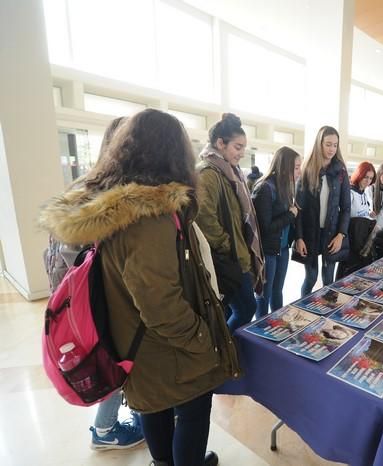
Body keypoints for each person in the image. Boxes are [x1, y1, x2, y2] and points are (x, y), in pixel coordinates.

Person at [39, 109, 239, 466]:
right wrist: (202, 341)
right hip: (165, 346)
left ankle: (163, 461)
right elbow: (161, 304)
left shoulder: (117, 204)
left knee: (153, 405)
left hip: (136, 341)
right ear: (171, 153)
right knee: (192, 410)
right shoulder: (151, 216)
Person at [42, 116, 145, 451]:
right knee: (114, 357)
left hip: (81, 302)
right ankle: (106, 428)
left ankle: (120, 423)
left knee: (110, 357)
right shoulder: (114, 194)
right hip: (100, 300)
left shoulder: (84, 185)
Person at [197, 113, 265, 332]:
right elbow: (205, 219)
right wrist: (229, 246)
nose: (242, 153)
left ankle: (224, 351)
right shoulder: (209, 173)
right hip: (228, 257)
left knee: (227, 309)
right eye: (237, 147)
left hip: (236, 253)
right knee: (246, 308)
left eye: (244, 148)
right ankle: (227, 350)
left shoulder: (229, 172)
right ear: (220, 143)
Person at [295, 126, 351, 296]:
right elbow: (298, 209)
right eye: (328, 144)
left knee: (328, 280)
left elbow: (346, 207)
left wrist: (341, 235)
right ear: (319, 144)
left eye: (335, 145)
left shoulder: (341, 171)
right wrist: (298, 238)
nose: (332, 149)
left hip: (332, 234)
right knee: (311, 279)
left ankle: (328, 316)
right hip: (310, 234)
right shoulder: (307, 170)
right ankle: (302, 311)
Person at [251, 146, 301, 318]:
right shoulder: (265, 188)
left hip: (283, 248)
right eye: (296, 167)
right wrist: (290, 214)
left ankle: (277, 323)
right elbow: (265, 227)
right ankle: (260, 330)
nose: (299, 172)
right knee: (263, 295)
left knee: (277, 291)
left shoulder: (286, 187)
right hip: (268, 251)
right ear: (284, 166)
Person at [337, 161, 376, 278]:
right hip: (351, 239)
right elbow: (345, 214)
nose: (368, 181)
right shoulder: (350, 192)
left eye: (370, 178)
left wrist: (369, 214)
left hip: (361, 239)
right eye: (365, 177)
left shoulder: (364, 193)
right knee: (348, 274)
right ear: (359, 175)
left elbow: (361, 212)